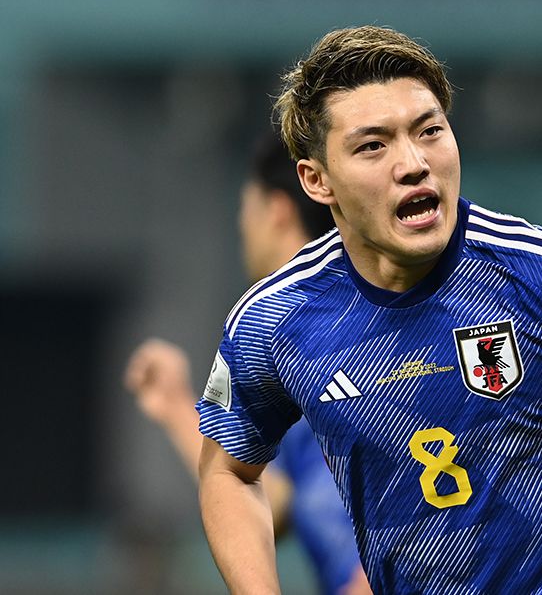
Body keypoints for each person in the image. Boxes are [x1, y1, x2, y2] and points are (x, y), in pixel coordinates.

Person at [195, 25, 542, 594]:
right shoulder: (273, 322)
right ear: (317, 180)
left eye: (429, 131)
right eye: (372, 146)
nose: (413, 163)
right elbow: (228, 472)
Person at [123, 135, 371, 595]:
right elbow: (276, 503)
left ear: (277, 209)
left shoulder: (340, 330)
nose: (242, 225)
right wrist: (178, 406)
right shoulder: (280, 339)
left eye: (246, 209)